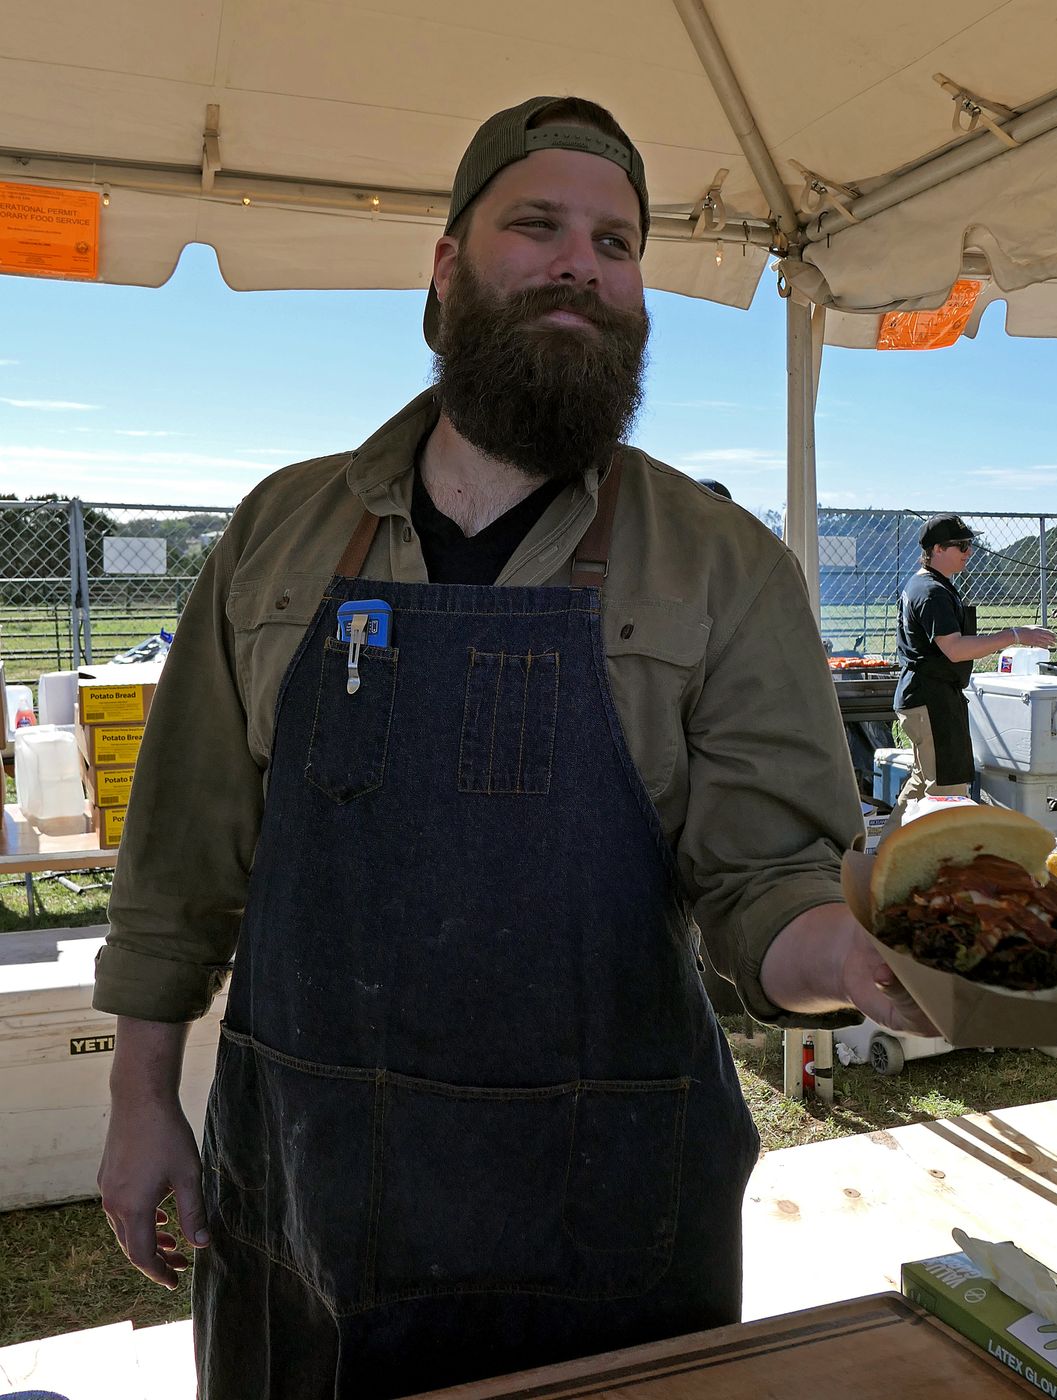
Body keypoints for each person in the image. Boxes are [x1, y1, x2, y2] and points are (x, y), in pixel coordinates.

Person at [93, 96, 932, 1400]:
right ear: (447, 265)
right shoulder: (279, 532)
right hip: (299, 1196)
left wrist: (860, 955)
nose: (580, 265)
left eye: (616, 242)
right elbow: (180, 860)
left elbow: (766, 882)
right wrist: (142, 1096)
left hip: (608, 1215)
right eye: (537, 226)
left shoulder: (722, 568)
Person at [891, 514, 1056, 821]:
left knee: (920, 786)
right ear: (937, 549)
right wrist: (1015, 635)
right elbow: (954, 649)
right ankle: (935, 865)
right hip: (933, 702)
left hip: (925, 698)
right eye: (962, 545)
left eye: (969, 544)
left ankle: (882, 861)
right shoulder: (932, 592)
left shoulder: (925, 584)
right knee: (946, 794)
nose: (969, 552)